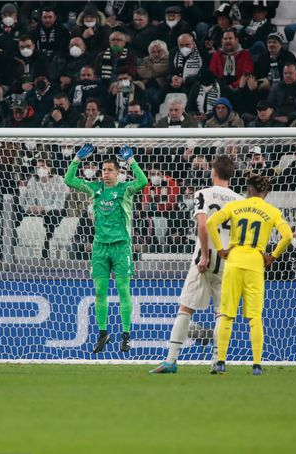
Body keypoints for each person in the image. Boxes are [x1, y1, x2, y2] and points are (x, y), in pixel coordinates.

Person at [150, 155, 243, 374]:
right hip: (228, 261)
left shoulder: (204, 194)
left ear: (213, 172)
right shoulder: (240, 200)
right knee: (222, 312)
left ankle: (171, 361)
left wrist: (204, 255)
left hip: (205, 258)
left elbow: (203, 225)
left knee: (186, 307)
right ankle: (218, 362)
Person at [64, 144, 148, 353]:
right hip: (100, 248)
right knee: (100, 291)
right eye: (104, 170)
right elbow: (69, 180)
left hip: (121, 248)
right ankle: (103, 334)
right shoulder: (95, 189)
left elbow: (143, 181)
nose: (106, 173)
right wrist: (76, 159)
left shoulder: (125, 189)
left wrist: (131, 161)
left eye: (110, 170)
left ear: (119, 173)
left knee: (123, 290)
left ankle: (126, 335)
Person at [206, 174, 293, 375]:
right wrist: (273, 256)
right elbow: (287, 235)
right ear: (266, 193)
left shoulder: (236, 206)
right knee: (254, 317)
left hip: (234, 260)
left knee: (227, 314)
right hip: (255, 262)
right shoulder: (271, 211)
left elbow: (211, 222)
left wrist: (220, 249)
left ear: (249, 189)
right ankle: (256, 365)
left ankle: (220, 362)